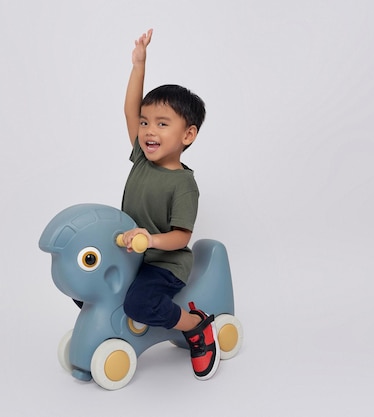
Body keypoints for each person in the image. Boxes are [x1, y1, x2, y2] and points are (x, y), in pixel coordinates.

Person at [119, 29, 220, 381]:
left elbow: (180, 237)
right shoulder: (142, 159)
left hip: (165, 263)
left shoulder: (183, 184)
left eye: (162, 124)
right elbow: (131, 107)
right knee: (90, 280)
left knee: (138, 303)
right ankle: (116, 330)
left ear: (187, 135)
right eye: (146, 123)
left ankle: (195, 325)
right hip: (134, 253)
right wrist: (139, 65)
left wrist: (151, 239)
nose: (149, 131)